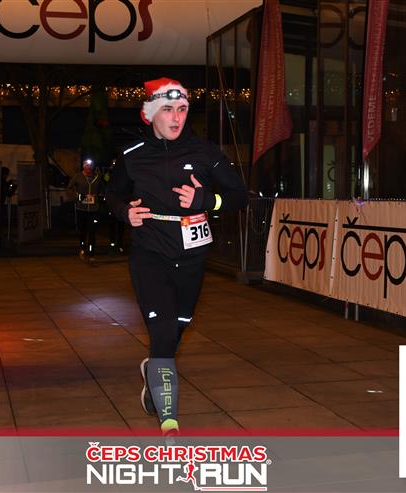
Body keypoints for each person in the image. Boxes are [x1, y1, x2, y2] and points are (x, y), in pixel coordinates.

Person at [105, 77, 247, 437]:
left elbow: (239, 194)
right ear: (150, 114)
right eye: (168, 109)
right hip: (150, 253)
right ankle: (170, 424)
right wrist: (125, 212)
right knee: (163, 330)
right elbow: (112, 194)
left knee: (175, 331)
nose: (176, 117)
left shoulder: (205, 152)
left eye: (182, 109)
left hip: (193, 257)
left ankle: (154, 371)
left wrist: (208, 201)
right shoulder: (133, 154)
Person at [71, 158, 103, 261]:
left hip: (93, 210)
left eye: (90, 166)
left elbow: (103, 190)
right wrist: (78, 197)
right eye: (87, 165)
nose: (89, 167)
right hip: (81, 209)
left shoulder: (97, 177)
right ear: (83, 166)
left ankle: (91, 253)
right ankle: (82, 249)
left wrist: (98, 197)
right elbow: (69, 188)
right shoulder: (78, 177)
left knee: (92, 231)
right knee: (83, 231)